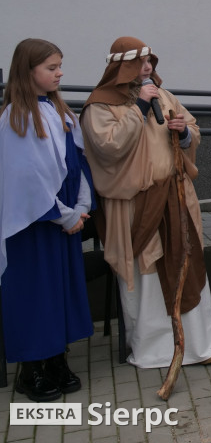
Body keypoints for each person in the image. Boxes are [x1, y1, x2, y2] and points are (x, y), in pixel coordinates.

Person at [81, 37, 211, 368]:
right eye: (141, 62)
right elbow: (108, 148)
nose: (148, 68)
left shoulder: (164, 95)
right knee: (147, 272)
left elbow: (192, 128)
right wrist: (139, 108)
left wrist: (183, 132)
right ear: (121, 67)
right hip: (136, 206)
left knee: (185, 264)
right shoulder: (100, 105)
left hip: (175, 198)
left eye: (151, 62)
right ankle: (155, 349)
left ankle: (200, 345)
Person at [0, 39, 93, 401]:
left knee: (59, 290)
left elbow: (77, 161)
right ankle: (30, 368)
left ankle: (55, 357)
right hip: (33, 224)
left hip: (65, 218)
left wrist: (82, 204)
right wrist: (64, 215)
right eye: (51, 68)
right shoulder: (15, 118)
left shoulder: (61, 112)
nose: (60, 72)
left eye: (59, 66)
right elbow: (25, 179)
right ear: (28, 72)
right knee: (35, 292)